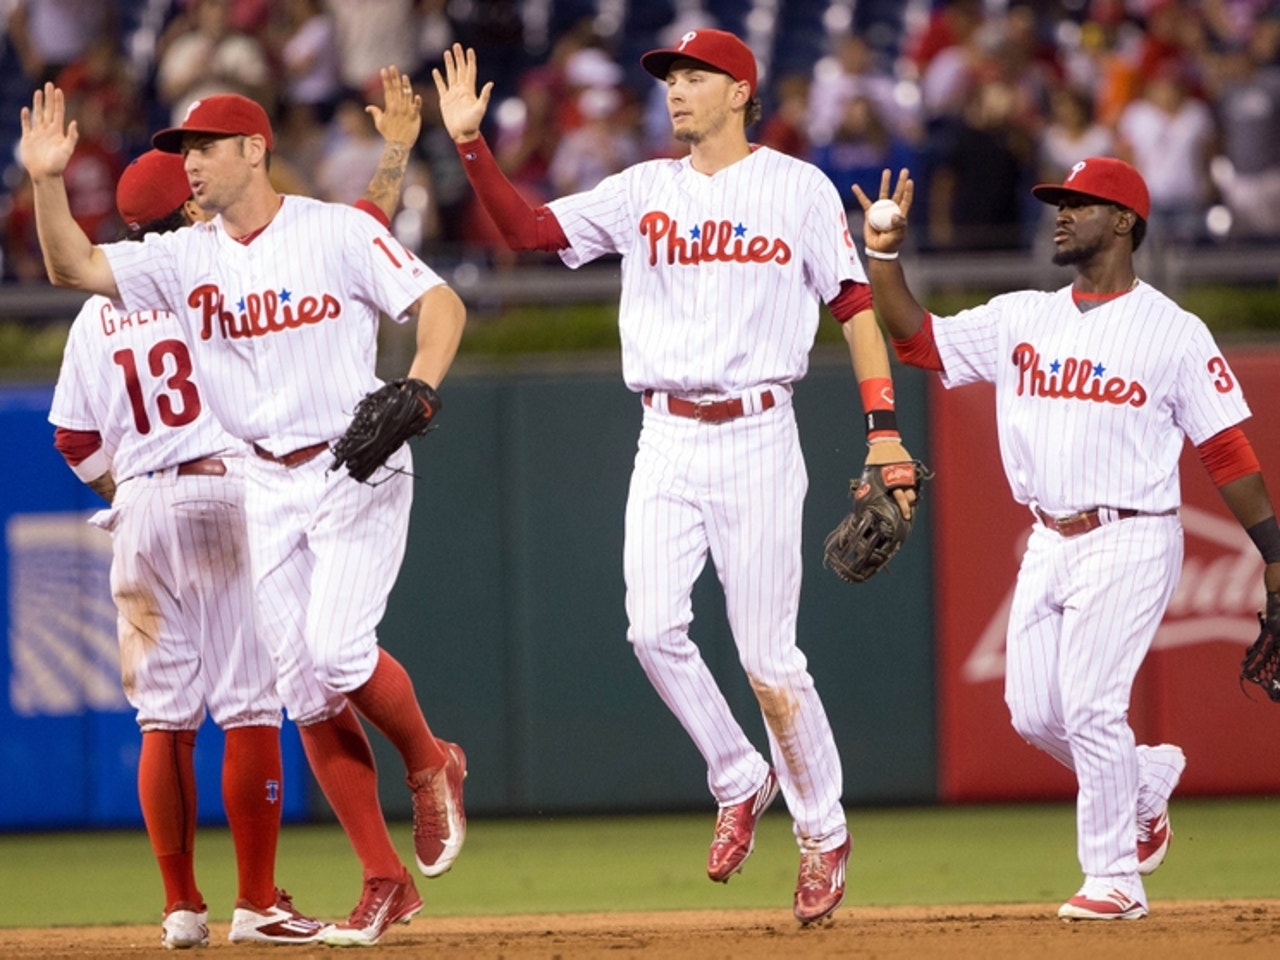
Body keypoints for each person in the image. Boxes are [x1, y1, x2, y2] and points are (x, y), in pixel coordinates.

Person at [433, 31, 920, 925]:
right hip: (664, 434)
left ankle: (823, 831)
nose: (677, 92)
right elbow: (528, 229)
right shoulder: (643, 189)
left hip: (759, 435)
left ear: (742, 91)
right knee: (652, 628)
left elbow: (853, 309)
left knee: (770, 661)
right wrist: (470, 142)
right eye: (670, 79)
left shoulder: (797, 189)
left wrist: (884, 432)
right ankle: (738, 774)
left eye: (696, 78)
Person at [20, 67, 467, 948]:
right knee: (302, 691)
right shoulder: (182, 258)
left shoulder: (335, 232)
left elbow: (441, 303)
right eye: (179, 153)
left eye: (203, 149)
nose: (188, 165)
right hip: (258, 484)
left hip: (353, 464)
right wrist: (43, 180)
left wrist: (419, 384)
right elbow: (71, 262)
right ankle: (383, 879)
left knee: (336, 655)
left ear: (254, 150)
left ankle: (430, 759)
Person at [852, 157, 1280, 920]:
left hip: (1133, 535)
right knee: (1033, 714)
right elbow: (917, 341)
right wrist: (883, 254)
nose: (1060, 213)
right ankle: (1142, 784)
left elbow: (1228, 454)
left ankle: (1115, 877)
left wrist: (1274, 557)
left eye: (1080, 204)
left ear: (1124, 223)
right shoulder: (1024, 314)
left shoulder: (1174, 332)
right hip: (1046, 538)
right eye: (1058, 201)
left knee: (1089, 705)